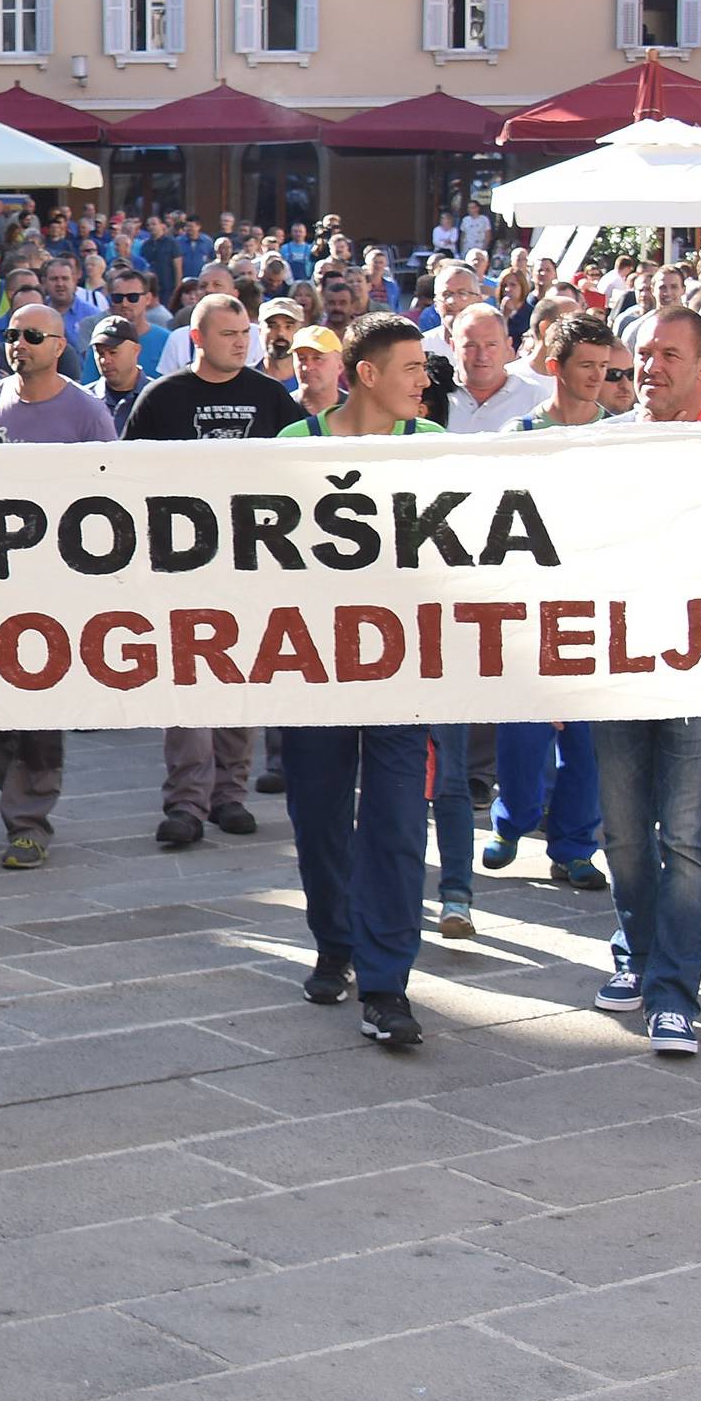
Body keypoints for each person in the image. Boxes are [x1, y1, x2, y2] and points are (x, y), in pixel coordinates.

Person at [275, 316, 440, 1044]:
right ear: (366, 374)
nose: (424, 381)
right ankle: (335, 942)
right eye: (411, 367)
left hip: (408, 668)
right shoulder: (293, 446)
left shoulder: (437, 448)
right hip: (311, 666)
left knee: (398, 822)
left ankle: (387, 983)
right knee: (318, 816)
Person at [589, 310, 701, 1056]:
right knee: (621, 832)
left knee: (685, 835)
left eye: (668, 355)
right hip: (614, 664)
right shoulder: (602, 443)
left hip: (700, 672)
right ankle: (639, 953)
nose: (650, 368)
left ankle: (674, 991)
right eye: (642, 354)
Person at [125, 294, 294, 851]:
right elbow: (127, 478)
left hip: (252, 562)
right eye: (228, 333)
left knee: (240, 679)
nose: (241, 341)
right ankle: (186, 803)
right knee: (187, 683)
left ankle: (230, 795)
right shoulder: (162, 398)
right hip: (181, 563)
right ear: (198, 338)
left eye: (245, 331)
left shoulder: (271, 397)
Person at [0, 306, 115, 865]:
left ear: (57, 346)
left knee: (39, 702)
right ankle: (19, 793)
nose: (18, 345)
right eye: (11, 336)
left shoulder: (86, 412)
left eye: (31, 336)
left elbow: (109, 494)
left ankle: (29, 818)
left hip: (52, 579)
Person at [445, 303, 551, 434]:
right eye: (471, 346)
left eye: (491, 345)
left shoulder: (535, 398)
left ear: (508, 345)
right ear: (453, 346)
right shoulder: (436, 394)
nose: (482, 356)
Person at [83, 312, 147, 426]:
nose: (105, 360)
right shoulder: (83, 400)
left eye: (113, 352)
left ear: (136, 350)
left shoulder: (157, 396)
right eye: (100, 353)